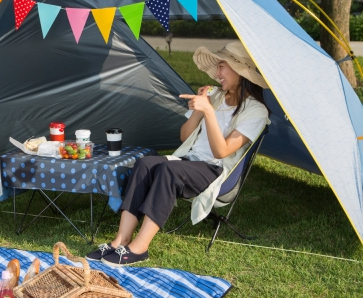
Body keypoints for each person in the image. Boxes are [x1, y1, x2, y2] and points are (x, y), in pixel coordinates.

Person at [87, 42, 270, 266]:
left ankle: (139, 247)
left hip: (216, 170)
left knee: (168, 170)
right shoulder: (217, 96)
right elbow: (185, 136)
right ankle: (120, 241)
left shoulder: (256, 111)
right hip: (189, 160)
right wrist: (197, 109)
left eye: (222, 67)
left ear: (241, 72)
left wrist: (209, 111)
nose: (218, 73)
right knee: (145, 164)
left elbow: (221, 151)